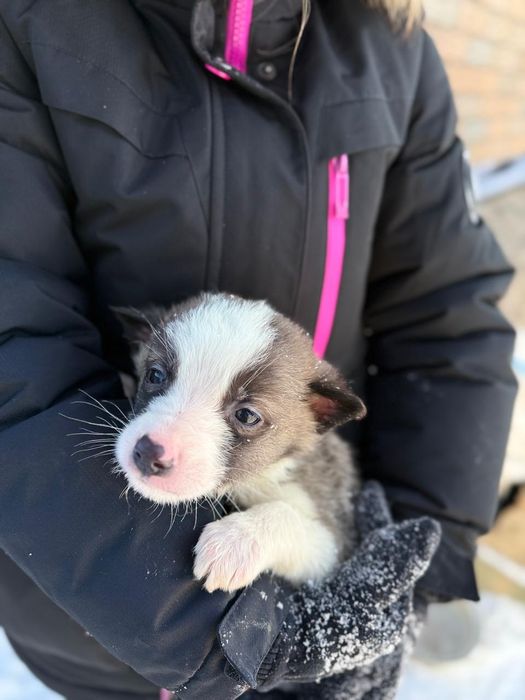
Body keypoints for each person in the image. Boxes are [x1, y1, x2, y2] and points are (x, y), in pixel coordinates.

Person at [0, 0, 517, 698]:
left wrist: (421, 560)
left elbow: (445, 312)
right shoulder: (31, 20)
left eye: (244, 416)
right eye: (159, 379)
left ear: (319, 413)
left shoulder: (392, 44)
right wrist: (207, 630)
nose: (160, 440)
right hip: (86, 629)